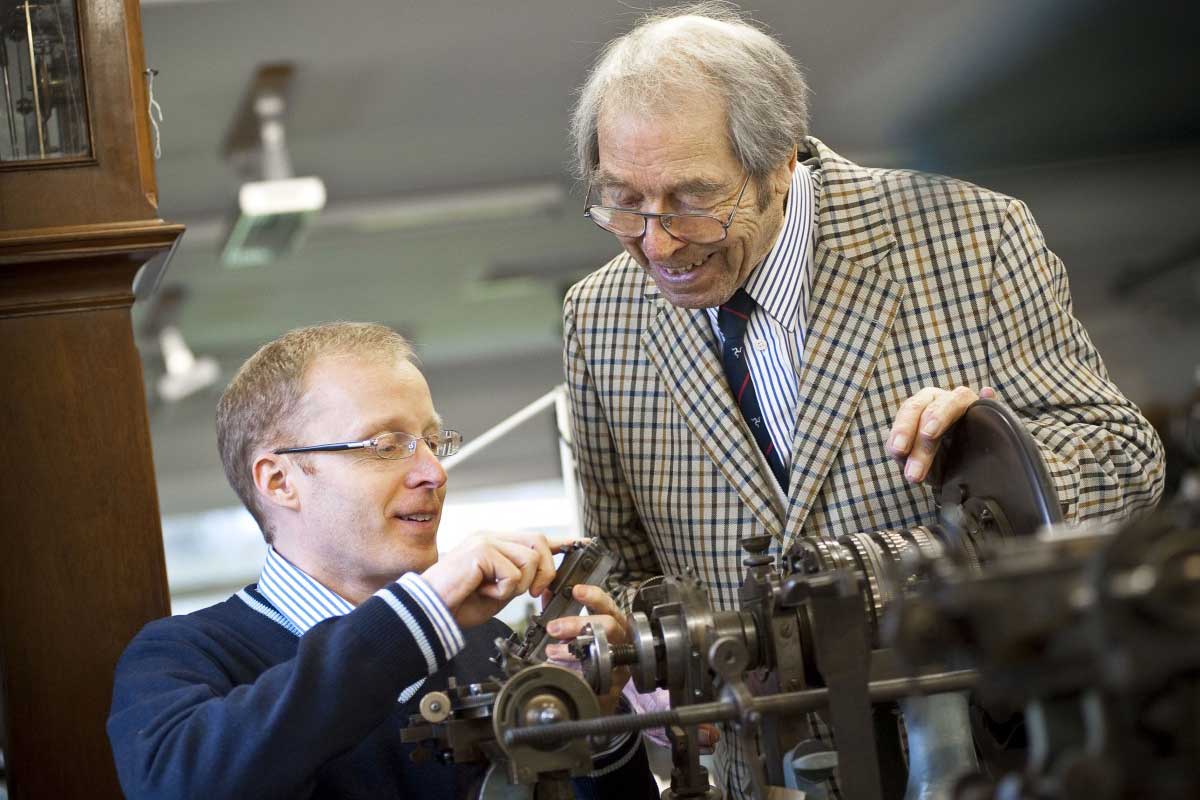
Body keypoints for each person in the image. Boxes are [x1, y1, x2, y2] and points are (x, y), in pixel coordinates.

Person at [561, 4, 1165, 795]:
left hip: (1000, 752)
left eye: (692, 200)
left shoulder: (970, 241)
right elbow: (621, 567)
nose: (658, 242)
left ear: (780, 161)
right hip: (770, 774)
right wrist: (629, 644)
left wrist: (1006, 454)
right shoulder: (599, 316)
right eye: (623, 201)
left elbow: (1127, 458)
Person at [107, 322, 654, 799]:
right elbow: (184, 786)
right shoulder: (180, 656)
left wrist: (590, 724)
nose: (434, 474)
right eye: (386, 445)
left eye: (433, 442)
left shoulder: (485, 648)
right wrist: (422, 611)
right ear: (279, 480)